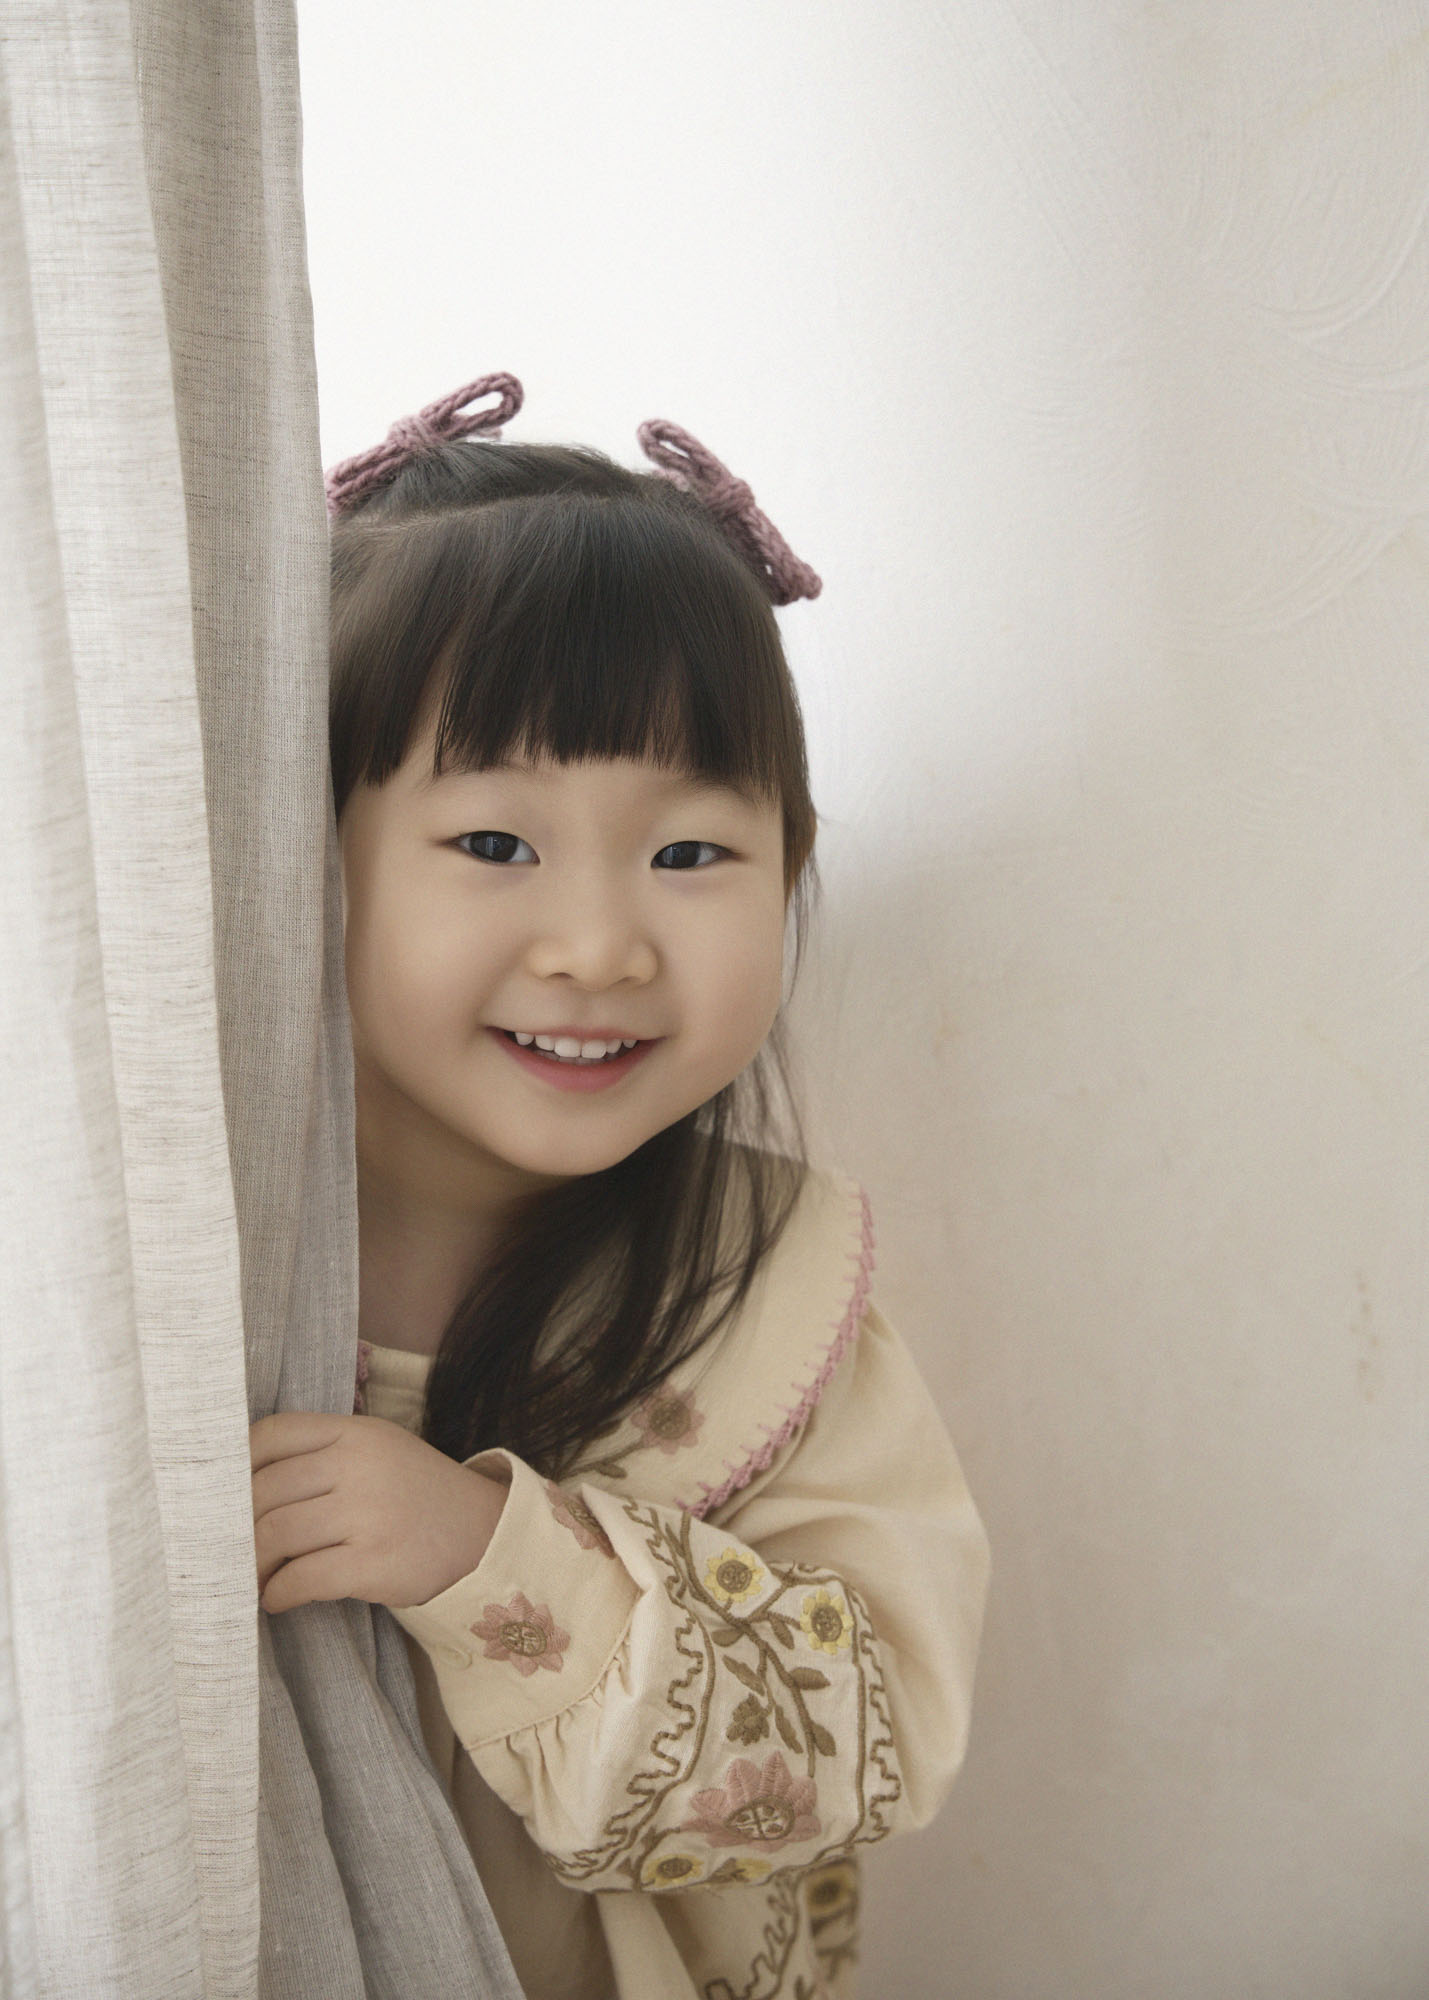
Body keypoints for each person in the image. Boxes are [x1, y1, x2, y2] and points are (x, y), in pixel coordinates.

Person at [248, 373, 991, 2000]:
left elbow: (874, 1739)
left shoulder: (764, 1293)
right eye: (494, 846)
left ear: (790, 867)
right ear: (297, 860)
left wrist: (485, 1559)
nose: (600, 948)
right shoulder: (185, 1252)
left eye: (689, 854)